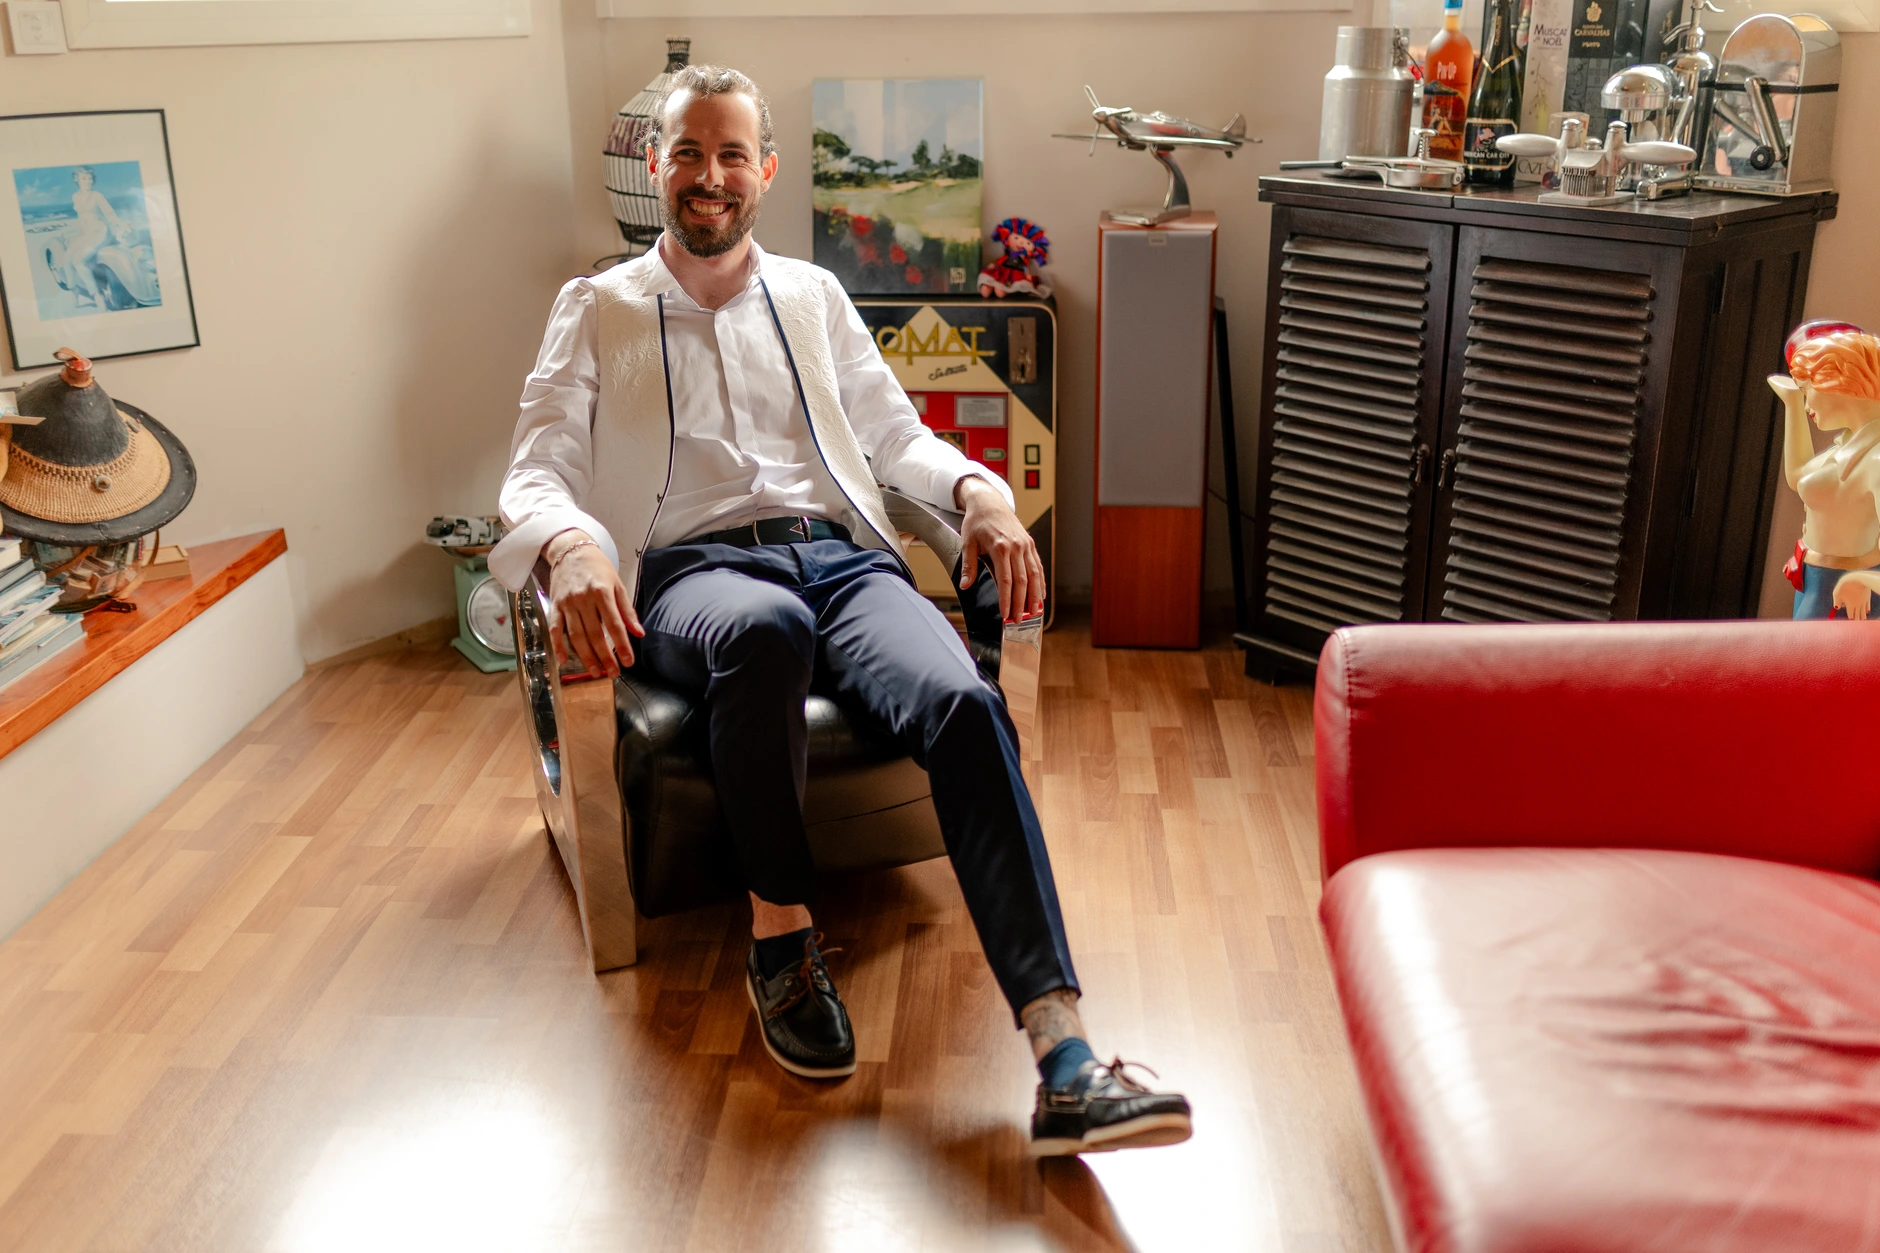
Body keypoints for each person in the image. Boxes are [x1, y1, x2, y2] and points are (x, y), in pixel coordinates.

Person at [492, 64, 1191, 1157]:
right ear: (653, 165)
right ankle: (779, 941)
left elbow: (892, 435)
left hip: (840, 560)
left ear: (763, 170)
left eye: (731, 154)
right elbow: (535, 469)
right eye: (687, 151)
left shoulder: (813, 297)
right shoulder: (598, 307)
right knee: (764, 635)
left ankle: (1063, 1055)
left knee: (962, 700)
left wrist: (978, 496)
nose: (709, 175)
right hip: (692, 573)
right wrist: (575, 543)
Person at [1769, 323, 1880, 620]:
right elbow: (1799, 477)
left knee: (1812, 663)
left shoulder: (1877, 460)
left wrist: (1862, 580)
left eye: (1807, 390)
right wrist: (1792, 403)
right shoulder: (1847, 443)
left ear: (1837, 381)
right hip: (1813, 577)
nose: (1807, 403)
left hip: (1846, 588)